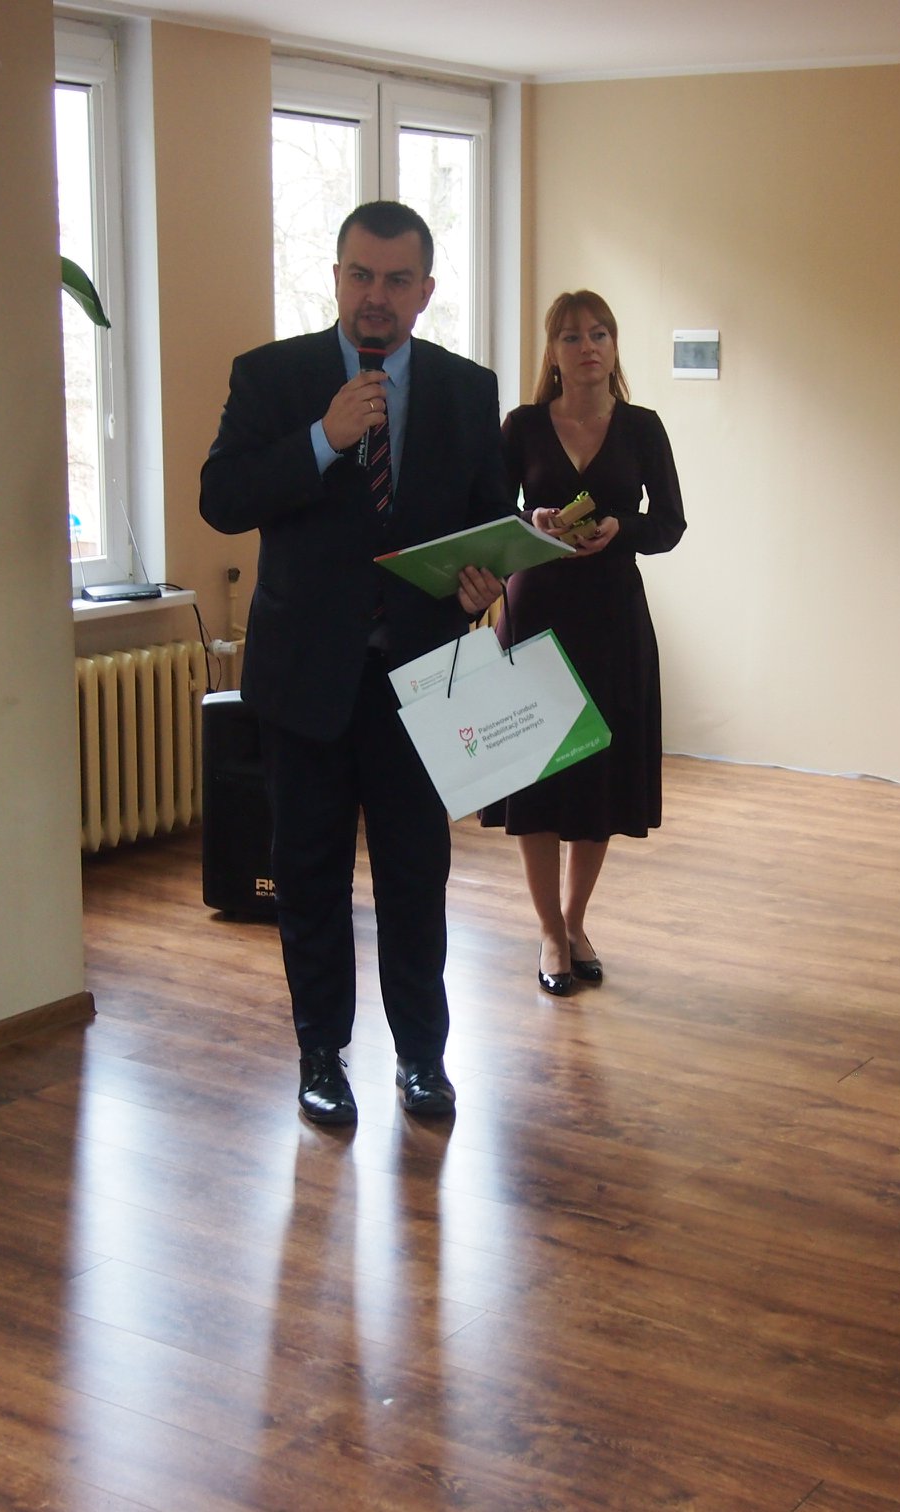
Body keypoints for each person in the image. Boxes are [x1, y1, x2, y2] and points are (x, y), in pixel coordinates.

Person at [199, 201, 510, 1126]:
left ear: (426, 290)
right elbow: (222, 497)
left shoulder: (467, 388)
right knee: (309, 876)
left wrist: (481, 583)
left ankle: (421, 1058)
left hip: (421, 676)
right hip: (305, 681)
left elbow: (488, 520)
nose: (377, 296)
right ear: (337, 277)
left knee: (416, 877)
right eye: (361, 275)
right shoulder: (273, 376)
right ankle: (321, 1056)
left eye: (397, 280)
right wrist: (322, 440)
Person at [480, 291, 686, 994]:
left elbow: (670, 524)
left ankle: (574, 922)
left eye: (599, 333)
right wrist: (531, 521)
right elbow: (491, 514)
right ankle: (547, 932)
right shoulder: (522, 425)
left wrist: (622, 528)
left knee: (598, 773)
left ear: (615, 345)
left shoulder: (642, 427)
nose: (588, 346)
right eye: (571, 336)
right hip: (535, 613)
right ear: (553, 352)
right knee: (538, 776)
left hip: (613, 620)